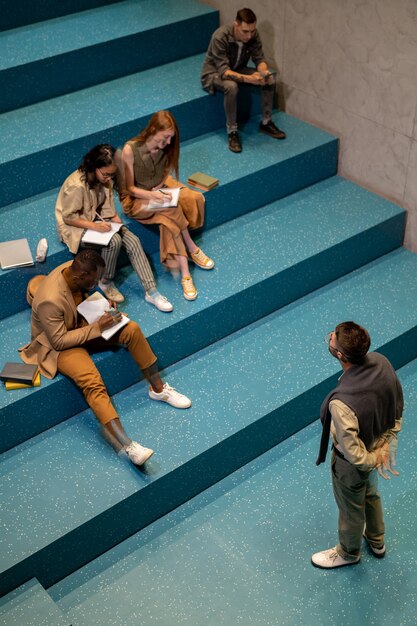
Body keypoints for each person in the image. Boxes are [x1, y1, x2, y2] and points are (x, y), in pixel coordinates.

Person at [19, 250, 192, 466]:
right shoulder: (49, 301)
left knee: (132, 329)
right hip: (58, 345)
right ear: (79, 277)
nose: (97, 283)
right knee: (92, 382)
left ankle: (158, 390)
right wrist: (97, 328)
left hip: (80, 322)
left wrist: (102, 304)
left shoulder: (75, 268)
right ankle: (129, 446)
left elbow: (83, 296)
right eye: (93, 281)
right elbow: (59, 341)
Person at [312, 321, 403, 569]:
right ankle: (376, 540)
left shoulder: (340, 404)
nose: (330, 335)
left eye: (333, 338)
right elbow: (397, 405)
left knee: (351, 509)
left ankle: (348, 553)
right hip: (377, 444)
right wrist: (385, 447)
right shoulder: (381, 361)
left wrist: (375, 459)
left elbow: (354, 455)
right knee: (371, 495)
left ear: (340, 355)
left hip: (351, 466)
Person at [55, 144, 173, 312]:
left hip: (96, 217)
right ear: (94, 167)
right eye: (106, 174)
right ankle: (105, 280)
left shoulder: (105, 180)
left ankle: (151, 292)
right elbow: (68, 217)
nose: (109, 178)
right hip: (75, 226)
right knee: (114, 242)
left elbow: (107, 207)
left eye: (112, 174)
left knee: (132, 240)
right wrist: (95, 227)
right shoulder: (77, 186)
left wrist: (120, 226)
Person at [120, 110, 214, 302]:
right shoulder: (130, 150)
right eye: (166, 137)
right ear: (153, 130)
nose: (170, 142)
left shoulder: (166, 149)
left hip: (156, 194)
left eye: (171, 137)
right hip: (136, 201)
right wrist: (152, 194)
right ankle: (192, 250)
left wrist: (161, 186)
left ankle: (186, 273)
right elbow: (129, 189)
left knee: (170, 218)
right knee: (172, 208)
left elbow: (165, 173)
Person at [201, 7, 286, 153]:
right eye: (245, 31)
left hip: (238, 68)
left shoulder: (253, 35)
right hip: (214, 73)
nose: (249, 36)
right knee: (231, 86)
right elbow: (224, 71)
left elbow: (259, 59)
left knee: (269, 79)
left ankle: (266, 122)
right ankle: (232, 131)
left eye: (252, 31)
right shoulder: (220, 36)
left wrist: (264, 72)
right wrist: (249, 79)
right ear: (236, 25)